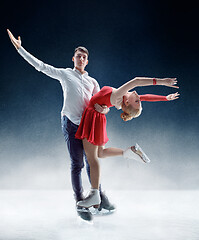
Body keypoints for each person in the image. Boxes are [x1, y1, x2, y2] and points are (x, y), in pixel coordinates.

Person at [7, 29, 116, 221]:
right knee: (77, 164)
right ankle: (79, 202)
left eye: (84, 57)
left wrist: (104, 110)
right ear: (73, 59)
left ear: (87, 61)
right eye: (78, 56)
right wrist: (20, 49)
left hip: (88, 126)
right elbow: (40, 66)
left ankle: (98, 196)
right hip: (70, 123)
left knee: (92, 162)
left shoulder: (93, 82)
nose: (81, 59)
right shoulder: (65, 74)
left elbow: (105, 104)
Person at [75, 78, 179, 208]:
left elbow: (137, 81)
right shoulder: (122, 97)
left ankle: (94, 194)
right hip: (97, 118)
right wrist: (165, 98)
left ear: (128, 102)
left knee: (92, 159)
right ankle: (127, 152)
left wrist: (162, 82)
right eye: (139, 101)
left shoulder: (119, 94)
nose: (139, 98)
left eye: (137, 101)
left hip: (93, 118)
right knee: (100, 153)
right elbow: (146, 97)